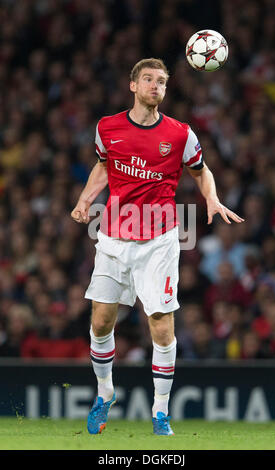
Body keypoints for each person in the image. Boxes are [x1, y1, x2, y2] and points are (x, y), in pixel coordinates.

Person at [71, 58, 244, 436]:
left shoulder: (181, 134)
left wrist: (211, 199)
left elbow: (202, 171)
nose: (155, 85)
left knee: (161, 325)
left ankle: (161, 411)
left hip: (159, 240)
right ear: (133, 85)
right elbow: (104, 166)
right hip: (114, 236)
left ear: (165, 90)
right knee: (101, 322)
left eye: (161, 81)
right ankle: (104, 394)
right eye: (147, 79)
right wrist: (86, 200)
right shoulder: (107, 127)